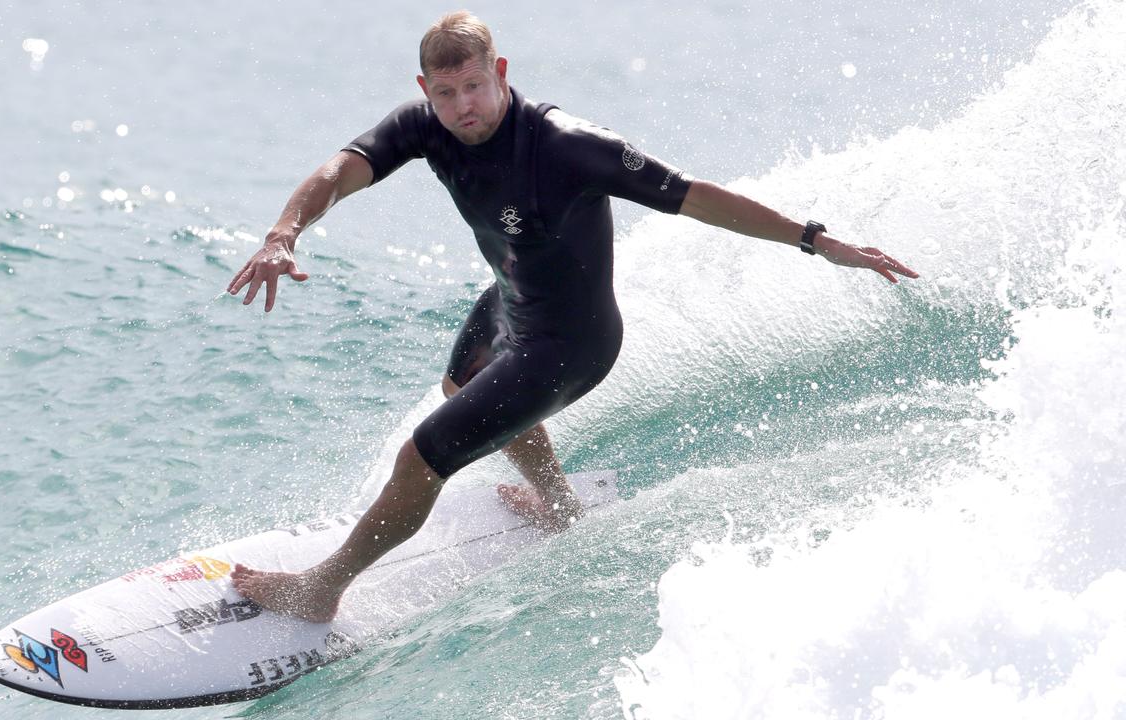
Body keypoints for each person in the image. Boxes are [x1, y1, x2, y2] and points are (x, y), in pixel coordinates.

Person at [226, 11, 918, 623]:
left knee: (422, 456)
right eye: (445, 93)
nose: (463, 106)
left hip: (573, 343)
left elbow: (694, 195)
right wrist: (284, 233)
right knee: (461, 390)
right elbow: (341, 171)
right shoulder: (424, 128)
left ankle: (323, 588)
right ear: (424, 91)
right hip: (513, 301)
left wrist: (815, 239)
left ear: (500, 72)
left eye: (474, 86)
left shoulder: (566, 144)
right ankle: (558, 505)